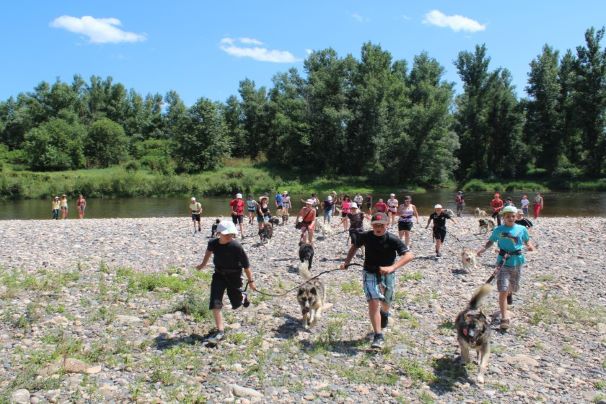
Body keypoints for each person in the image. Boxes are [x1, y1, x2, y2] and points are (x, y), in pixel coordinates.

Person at [340, 212, 414, 349]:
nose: (378, 227)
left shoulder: (393, 239)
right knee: (373, 302)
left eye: (381, 225)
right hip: (369, 272)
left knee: (386, 302)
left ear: (387, 224)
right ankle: (378, 335)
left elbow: (409, 255)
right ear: (372, 225)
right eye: (375, 225)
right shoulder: (366, 236)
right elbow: (354, 247)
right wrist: (346, 263)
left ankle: (385, 313)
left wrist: (392, 267)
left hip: (388, 274)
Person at [196, 221, 256, 343]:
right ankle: (220, 331)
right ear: (219, 233)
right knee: (215, 301)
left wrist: (251, 281)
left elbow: (246, 266)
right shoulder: (213, 243)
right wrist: (203, 264)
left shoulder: (236, 247)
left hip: (234, 276)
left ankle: (243, 296)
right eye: (226, 234)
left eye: (231, 234)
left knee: (236, 303)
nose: (229, 236)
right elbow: (208, 252)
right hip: (219, 275)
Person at [476, 206, 535, 331]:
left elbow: (527, 241)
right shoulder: (498, 229)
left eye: (513, 216)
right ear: (503, 217)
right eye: (508, 216)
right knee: (502, 289)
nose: (511, 218)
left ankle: (509, 293)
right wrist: (483, 249)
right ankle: (504, 318)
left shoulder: (522, 229)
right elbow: (491, 241)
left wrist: (530, 246)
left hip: (517, 261)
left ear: (516, 217)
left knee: (512, 287)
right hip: (502, 262)